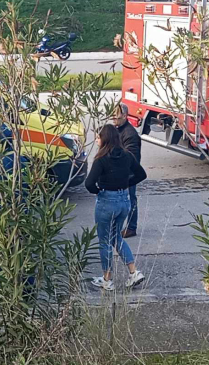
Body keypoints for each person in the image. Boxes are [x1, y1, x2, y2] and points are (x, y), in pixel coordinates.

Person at [85, 124, 147, 291]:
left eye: (98, 137)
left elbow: (89, 183)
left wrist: (99, 192)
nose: (96, 140)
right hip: (124, 201)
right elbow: (141, 174)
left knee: (104, 241)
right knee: (116, 237)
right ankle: (133, 272)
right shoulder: (127, 156)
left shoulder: (101, 159)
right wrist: (125, 184)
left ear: (104, 139)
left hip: (107, 201)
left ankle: (107, 279)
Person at [112, 102, 142, 239]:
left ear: (124, 115)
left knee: (130, 199)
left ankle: (131, 227)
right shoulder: (118, 129)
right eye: (112, 117)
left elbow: (131, 157)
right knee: (125, 199)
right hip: (122, 172)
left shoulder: (129, 134)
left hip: (129, 173)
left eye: (117, 118)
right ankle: (125, 225)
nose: (114, 120)